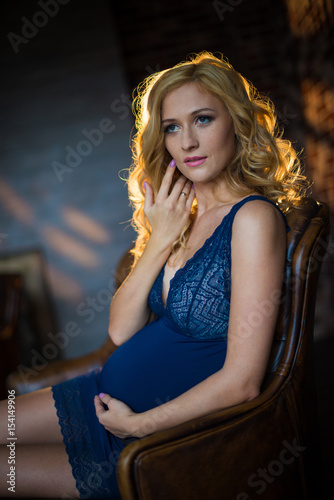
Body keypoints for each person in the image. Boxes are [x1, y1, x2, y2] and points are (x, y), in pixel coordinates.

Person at [0, 51, 308, 498]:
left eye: (202, 119)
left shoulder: (253, 219)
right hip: (97, 397)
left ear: (235, 122)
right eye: (172, 127)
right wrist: (161, 237)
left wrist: (139, 425)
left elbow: (242, 382)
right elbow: (121, 330)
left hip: (148, 443)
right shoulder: (182, 214)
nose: (187, 142)